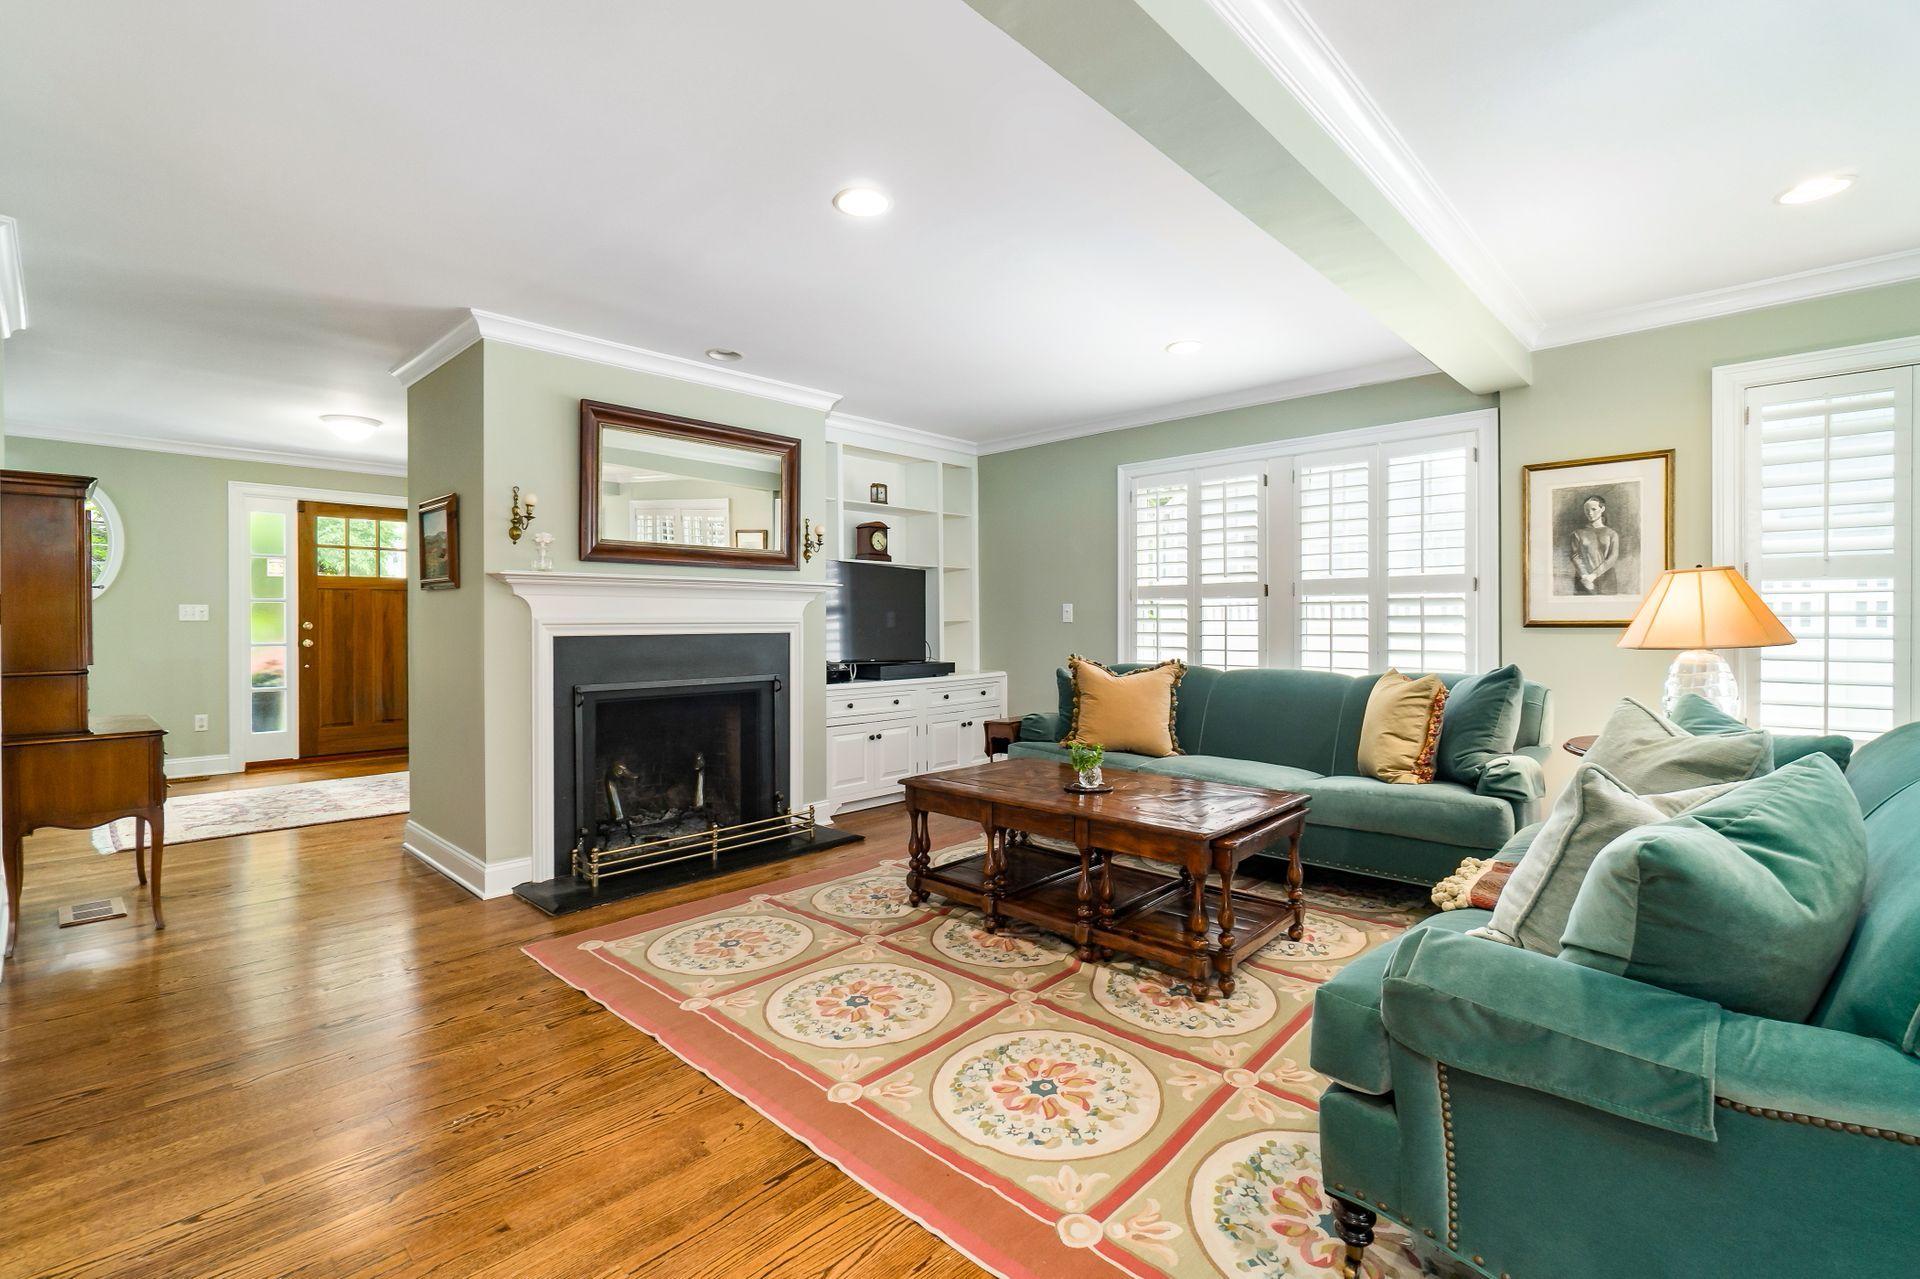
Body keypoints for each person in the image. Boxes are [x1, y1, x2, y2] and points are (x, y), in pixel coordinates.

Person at [1568, 494, 1620, 594]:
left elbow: (1613, 557)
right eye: (1587, 510)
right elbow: (1574, 556)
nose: (1590, 513)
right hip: (1583, 581)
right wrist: (1584, 576)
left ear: (1602, 509)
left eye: (1593, 509)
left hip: (1606, 581)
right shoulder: (1577, 534)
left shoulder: (1612, 534)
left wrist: (1593, 575)